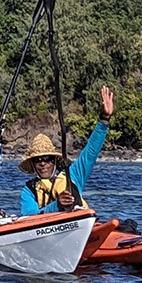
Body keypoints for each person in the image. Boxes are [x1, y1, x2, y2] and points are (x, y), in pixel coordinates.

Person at [19, 86, 113, 215]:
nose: (43, 163)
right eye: (37, 160)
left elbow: (91, 152)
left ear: (54, 161)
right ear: (33, 164)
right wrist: (57, 204)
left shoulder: (72, 174)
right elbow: (28, 216)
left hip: (77, 220)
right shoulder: (29, 190)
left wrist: (104, 119)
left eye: (47, 159)